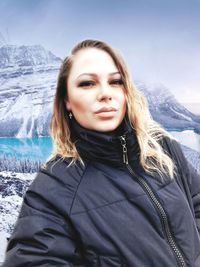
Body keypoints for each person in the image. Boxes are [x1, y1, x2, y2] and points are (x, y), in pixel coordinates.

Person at [2, 39, 200, 267]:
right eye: (87, 83)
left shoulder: (163, 148)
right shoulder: (54, 188)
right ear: (66, 100)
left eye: (115, 81)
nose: (106, 93)